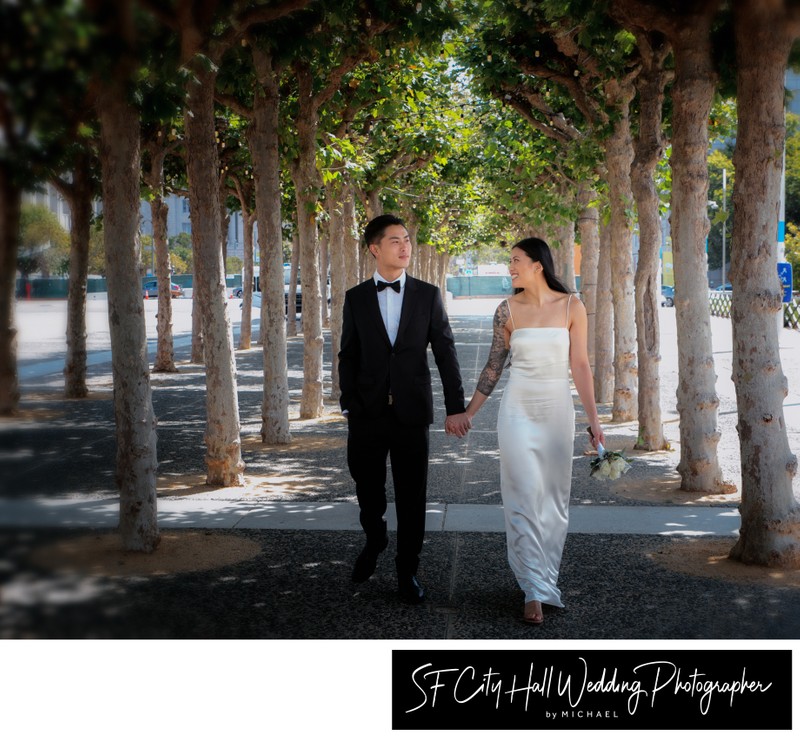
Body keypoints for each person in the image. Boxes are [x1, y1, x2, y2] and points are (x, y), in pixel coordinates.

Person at [464, 237, 605, 625]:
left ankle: (546, 579)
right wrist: (469, 412)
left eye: (515, 260)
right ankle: (532, 590)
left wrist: (594, 421)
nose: (509, 267)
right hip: (517, 414)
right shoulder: (506, 310)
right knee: (523, 496)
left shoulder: (572, 307)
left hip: (558, 413)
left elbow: (580, 366)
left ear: (537, 265)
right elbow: (494, 367)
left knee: (554, 502)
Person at [338, 214, 472, 604]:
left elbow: (446, 353)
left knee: (412, 496)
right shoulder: (356, 297)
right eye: (395, 240)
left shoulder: (427, 295)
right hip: (367, 413)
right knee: (367, 488)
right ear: (375, 249)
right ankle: (375, 537)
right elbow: (348, 355)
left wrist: (455, 407)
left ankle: (407, 568)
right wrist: (349, 403)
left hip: (413, 414)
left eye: (407, 239)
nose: (405, 246)